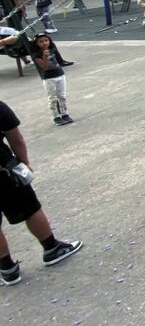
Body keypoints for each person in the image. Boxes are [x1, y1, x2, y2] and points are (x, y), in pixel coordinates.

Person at [0, 100, 83, 286]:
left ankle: (6, 268)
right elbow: (16, 139)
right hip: (4, 171)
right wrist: (24, 163)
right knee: (30, 209)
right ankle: (51, 247)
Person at [31, 34, 73, 125]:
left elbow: (59, 60)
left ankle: (65, 114)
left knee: (62, 95)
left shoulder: (53, 49)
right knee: (52, 98)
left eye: (46, 40)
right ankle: (56, 116)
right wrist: (45, 56)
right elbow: (45, 68)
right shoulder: (36, 55)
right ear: (36, 44)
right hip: (49, 78)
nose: (44, 43)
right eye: (41, 42)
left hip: (60, 75)